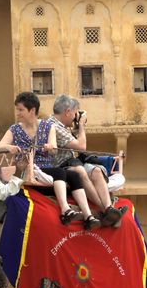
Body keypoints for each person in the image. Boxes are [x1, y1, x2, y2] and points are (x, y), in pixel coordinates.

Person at [0, 91, 101, 229]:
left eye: (21, 110)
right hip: (28, 169)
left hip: (46, 169)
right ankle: (65, 210)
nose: (18, 113)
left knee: (74, 175)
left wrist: (50, 147)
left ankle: (88, 216)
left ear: (32, 110)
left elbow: (54, 149)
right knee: (59, 173)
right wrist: (9, 147)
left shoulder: (48, 126)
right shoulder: (14, 129)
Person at [45, 94, 127, 227]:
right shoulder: (54, 126)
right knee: (80, 171)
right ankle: (106, 210)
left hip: (73, 161)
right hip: (63, 166)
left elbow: (76, 145)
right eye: (75, 113)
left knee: (96, 171)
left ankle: (109, 209)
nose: (76, 116)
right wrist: (82, 125)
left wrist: (77, 126)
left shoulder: (62, 125)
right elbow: (81, 146)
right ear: (67, 112)